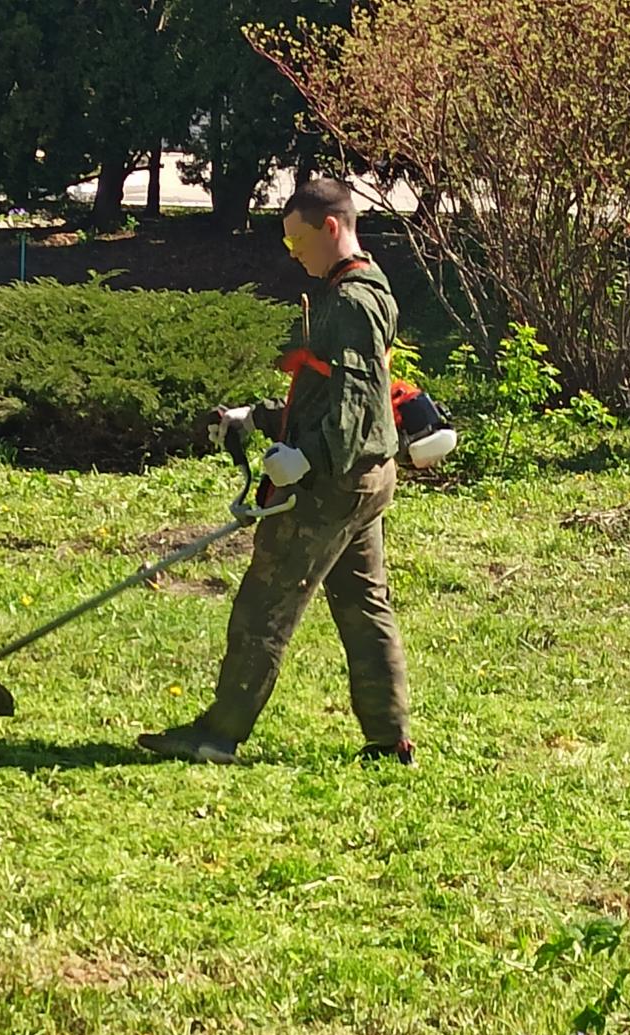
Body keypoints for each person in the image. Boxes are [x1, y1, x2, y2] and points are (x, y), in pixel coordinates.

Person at [138, 178, 413, 766]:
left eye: (296, 243)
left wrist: (308, 459)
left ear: (331, 228)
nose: (293, 256)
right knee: (365, 608)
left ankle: (218, 734)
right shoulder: (371, 287)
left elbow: (358, 400)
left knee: (265, 604)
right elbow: (325, 389)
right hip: (367, 476)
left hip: (333, 482)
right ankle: (391, 741)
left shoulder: (349, 302)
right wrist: (256, 417)